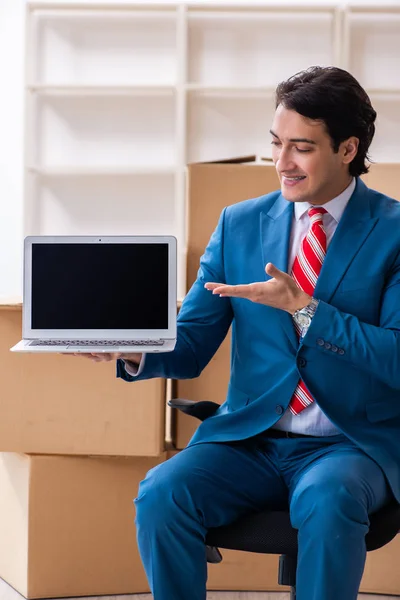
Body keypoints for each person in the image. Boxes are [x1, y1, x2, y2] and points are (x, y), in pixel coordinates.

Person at [80, 66, 400, 600]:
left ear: (348, 148)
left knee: (329, 500)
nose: (281, 163)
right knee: (163, 492)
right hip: (249, 440)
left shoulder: (393, 233)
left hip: (349, 445)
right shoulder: (239, 224)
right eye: (276, 143)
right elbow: (191, 344)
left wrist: (304, 309)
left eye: (302, 147)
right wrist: (136, 348)